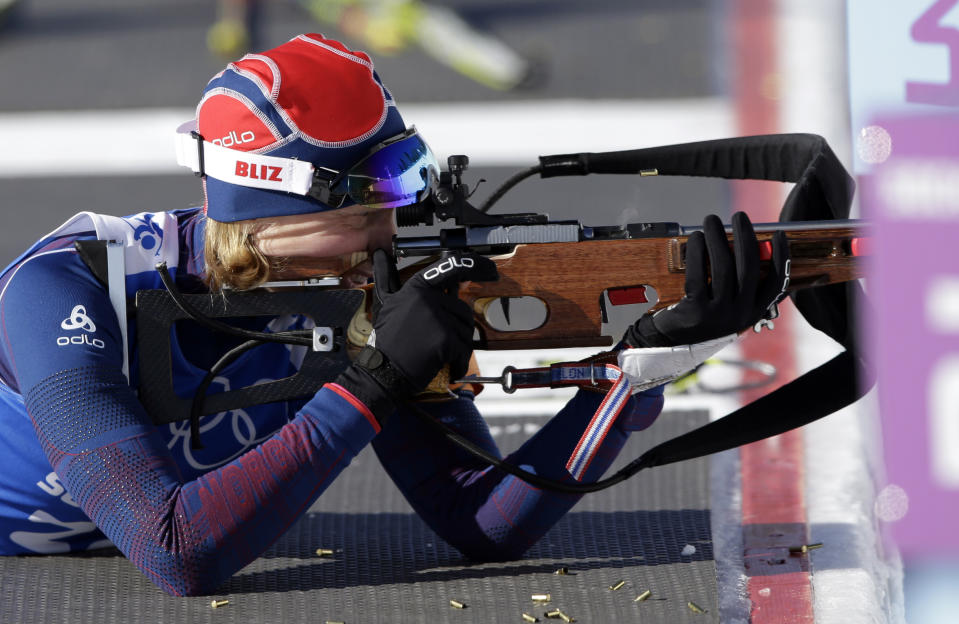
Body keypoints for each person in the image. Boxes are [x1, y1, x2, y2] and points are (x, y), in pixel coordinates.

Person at [0, 34, 788, 596]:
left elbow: (481, 522)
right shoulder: (66, 290)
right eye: (367, 202)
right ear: (268, 205)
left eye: (397, 194)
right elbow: (175, 552)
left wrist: (630, 375)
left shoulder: (357, 285)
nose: (391, 228)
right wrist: (371, 385)